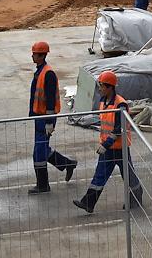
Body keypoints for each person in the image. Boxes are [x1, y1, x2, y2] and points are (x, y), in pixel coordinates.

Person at [73, 71, 143, 214]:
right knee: (100, 175)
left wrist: (105, 144)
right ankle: (88, 203)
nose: (100, 89)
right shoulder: (103, 102)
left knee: (128, 174)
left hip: (120, 148)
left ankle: (136, 197)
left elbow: (119, 129)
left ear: (110, 87)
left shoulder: (120, 105)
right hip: (108, 148)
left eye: (102, 86)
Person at [27, 40, 77, 195]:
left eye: (34, 53)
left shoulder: (47, 74)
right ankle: (67, 164)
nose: (32, 56)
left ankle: (43, 185)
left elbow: (49, 100)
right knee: (41, 150)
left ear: (41, 56)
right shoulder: (41, 71)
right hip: (39, 117)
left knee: (39, 153)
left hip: (44, 119)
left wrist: (49, 122)